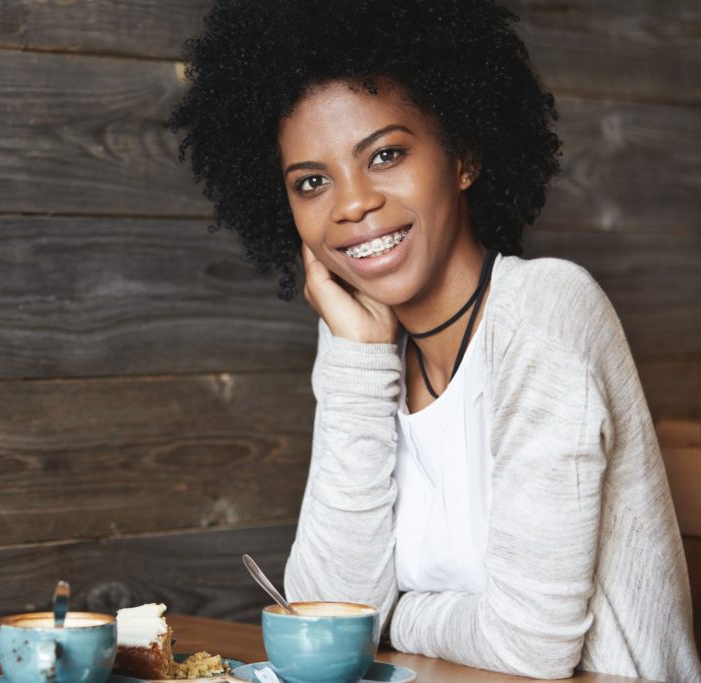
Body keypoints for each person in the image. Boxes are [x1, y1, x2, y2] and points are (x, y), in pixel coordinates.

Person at [170, 1, 700, 680]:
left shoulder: (546, 312)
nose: (352, 203)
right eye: (312, 182)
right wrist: (358, 357)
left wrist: (393, 615)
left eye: (385, 154)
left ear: (465, 156)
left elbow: (531, 647)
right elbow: (325, 619)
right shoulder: (363, 348)